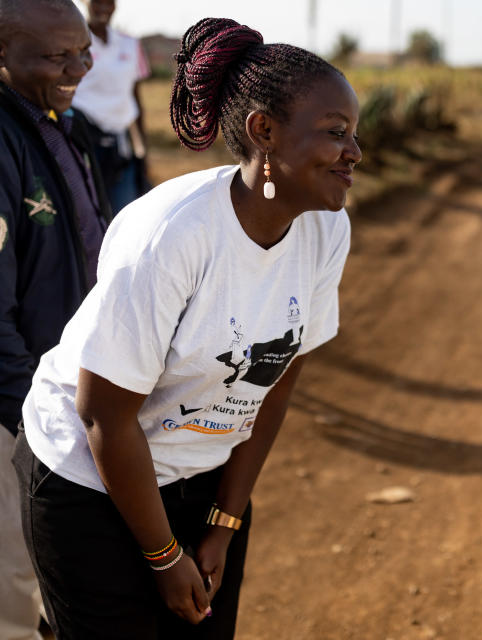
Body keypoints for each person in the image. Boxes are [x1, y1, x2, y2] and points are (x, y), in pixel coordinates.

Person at [13, 17, 360, 639]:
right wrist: (163, 556)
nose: (355, 152)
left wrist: (224, 520)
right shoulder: (173, 236)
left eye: (355, 134)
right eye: (337, 133)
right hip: (88, 479)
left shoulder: (325, 228)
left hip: (200, 480)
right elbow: (102, 416)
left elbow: (275, 384)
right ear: (264, 131)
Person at [0, 1, 112, 638]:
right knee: (12, 575)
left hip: (57, 398)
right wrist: (26, 414)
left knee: (53, 567)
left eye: (82, 51)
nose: (78, 67)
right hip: (15, 408)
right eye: (55, 56)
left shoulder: (63, 126)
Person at [71, 0, 151, 213]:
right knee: (85, 216)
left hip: (120, 148)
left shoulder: (130, 44)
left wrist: (142, 148)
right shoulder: (72, 41)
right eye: (96, 1)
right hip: (82, 142)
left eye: (109, 1)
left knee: (124, 215)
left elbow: (134, 98)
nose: (103, 7)